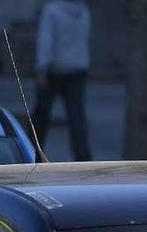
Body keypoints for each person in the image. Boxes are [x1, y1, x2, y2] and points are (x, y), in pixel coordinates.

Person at [31, 0, 93, 162]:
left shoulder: (51, 11)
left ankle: (33, 156)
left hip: (53, 70)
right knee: (76, 118)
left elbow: (46, 40)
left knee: (41, 117)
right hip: (77, 69)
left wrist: (41, 68)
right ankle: (83, 159)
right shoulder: (83, 11)